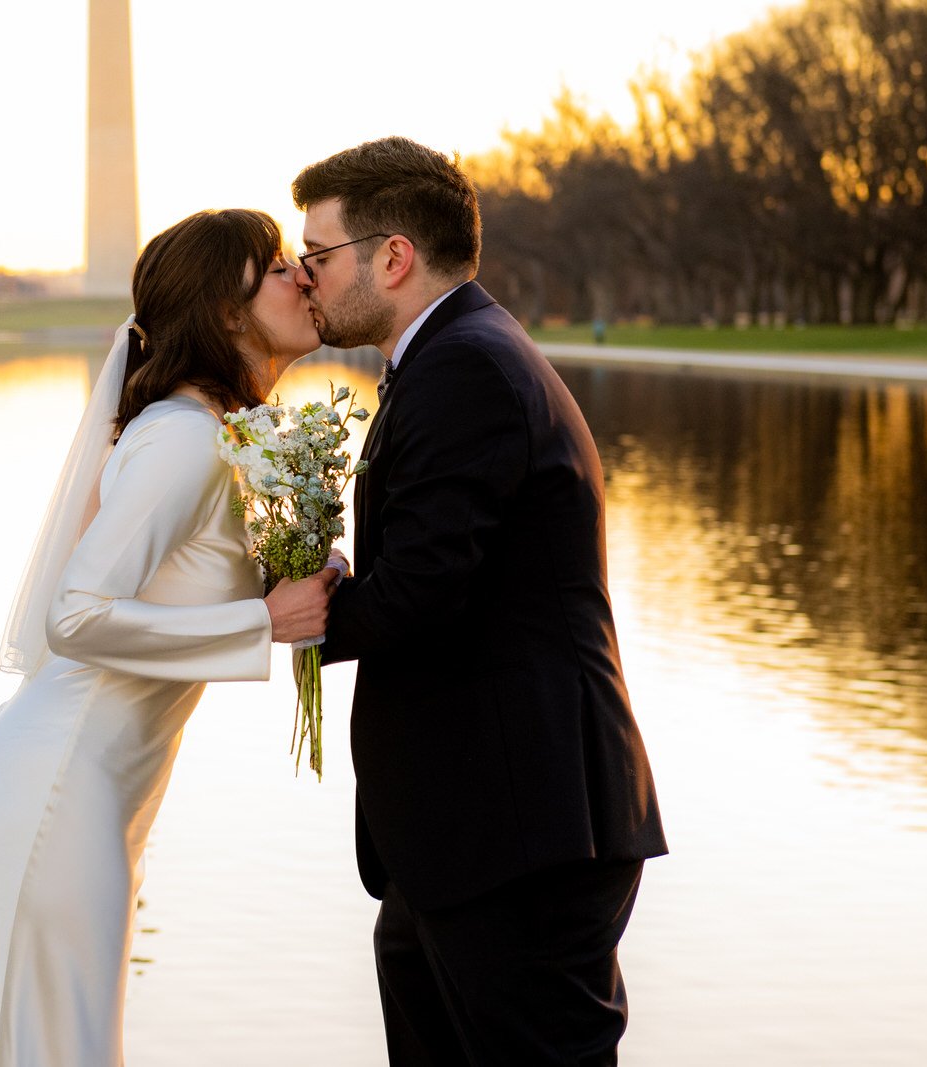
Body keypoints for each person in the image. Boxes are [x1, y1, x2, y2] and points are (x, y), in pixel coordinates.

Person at [0, 209, 338, 1067]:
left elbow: (172, 586)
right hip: (58, 788)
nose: (305, 277)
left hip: (92, 788)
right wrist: (264, 620)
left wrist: (295, 573)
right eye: (280, 265)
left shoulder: (218, 438)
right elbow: (76, 613)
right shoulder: (182, 439)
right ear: (224, 311)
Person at [296, 137, 668, 1065]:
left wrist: (285, 610)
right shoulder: (450, 356)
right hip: (464, 838)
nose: (307, 279)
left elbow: (423, 593)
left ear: (392, 256)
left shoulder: (467, 366)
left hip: (521, 839)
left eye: (318, 256)